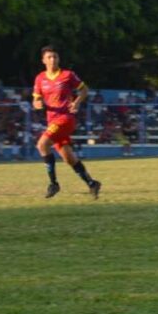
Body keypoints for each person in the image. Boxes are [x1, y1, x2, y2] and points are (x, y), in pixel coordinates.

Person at [32, 46, 102, 199]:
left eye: (55, 56)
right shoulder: (40, 78)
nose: (53, 59)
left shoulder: (67, 75)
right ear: (43, 60)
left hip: (65, 119)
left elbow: (84, 90)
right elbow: (36, 99)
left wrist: (76, 102)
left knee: (42, 145)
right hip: (52, 121)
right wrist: (37, 103)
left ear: (59, 59)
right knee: (68, 158)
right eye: (49, 57)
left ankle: (53, 184)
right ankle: (92, 183)